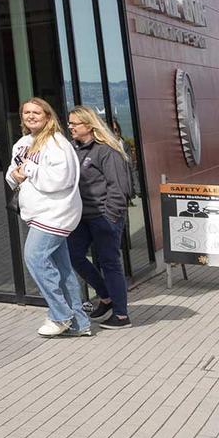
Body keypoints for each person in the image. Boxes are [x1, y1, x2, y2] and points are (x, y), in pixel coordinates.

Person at [6, 97, 91, 338]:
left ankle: (60, 314)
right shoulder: (22, 143)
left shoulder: (57, 143)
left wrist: (29, 170)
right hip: (36, 214)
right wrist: (15, 175)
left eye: (36, 112)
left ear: (48, 116)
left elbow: (60, 179)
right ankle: (79, 323)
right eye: (26, 113)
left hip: (55, 214)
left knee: (34, 257)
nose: (31, 116)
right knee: (62, 269)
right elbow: (12, 175)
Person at [68, 106, 134, 330]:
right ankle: (105, 296)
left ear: (88, 125)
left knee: (109, 262)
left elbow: (119, 187)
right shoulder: (73, 149)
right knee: (73, 255)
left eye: (74, 123)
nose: (70, 127)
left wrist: (111, 216)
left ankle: (122, 315)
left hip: (104, 217)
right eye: (69, 123)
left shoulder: (107, 150)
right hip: (81, 217)